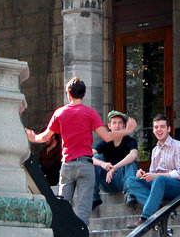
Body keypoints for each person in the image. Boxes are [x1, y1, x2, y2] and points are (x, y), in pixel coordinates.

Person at [25, 77, 135, 228]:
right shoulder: (90, 113)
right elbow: (107, 136)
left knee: (62, 208)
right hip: (85, 164)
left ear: (69, 94)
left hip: (67, 165)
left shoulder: (60, 113)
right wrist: (126, 130)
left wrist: (33, 137)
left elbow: (44, 137)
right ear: (83, 94)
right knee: (83, 211)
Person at [125, 115, 180, 228]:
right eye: (156, 127)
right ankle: (159, 209)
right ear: (153, 130)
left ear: (169, 129)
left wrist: (156, 176)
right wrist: (143, 175)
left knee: (159, 179)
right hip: (161, 184)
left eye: (162, 127)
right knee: (131, 181)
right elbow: (153, 173)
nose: (159, 130)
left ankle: (145, 217)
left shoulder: (179, 147)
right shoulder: (155, 150)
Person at [92, 110, 140, 206]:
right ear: (109, 126)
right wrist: (102, 164)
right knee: (96, 157)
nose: (117, 126)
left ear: (124, 125)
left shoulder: (130, 141)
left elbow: (134, 155)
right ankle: (94, 196)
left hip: (124, 180)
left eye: (120, 123)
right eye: (114, 123)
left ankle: (130, 194)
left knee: (131, 161)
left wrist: (115, 167)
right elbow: (88, 155)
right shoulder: (104, 142)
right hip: (107, 180)